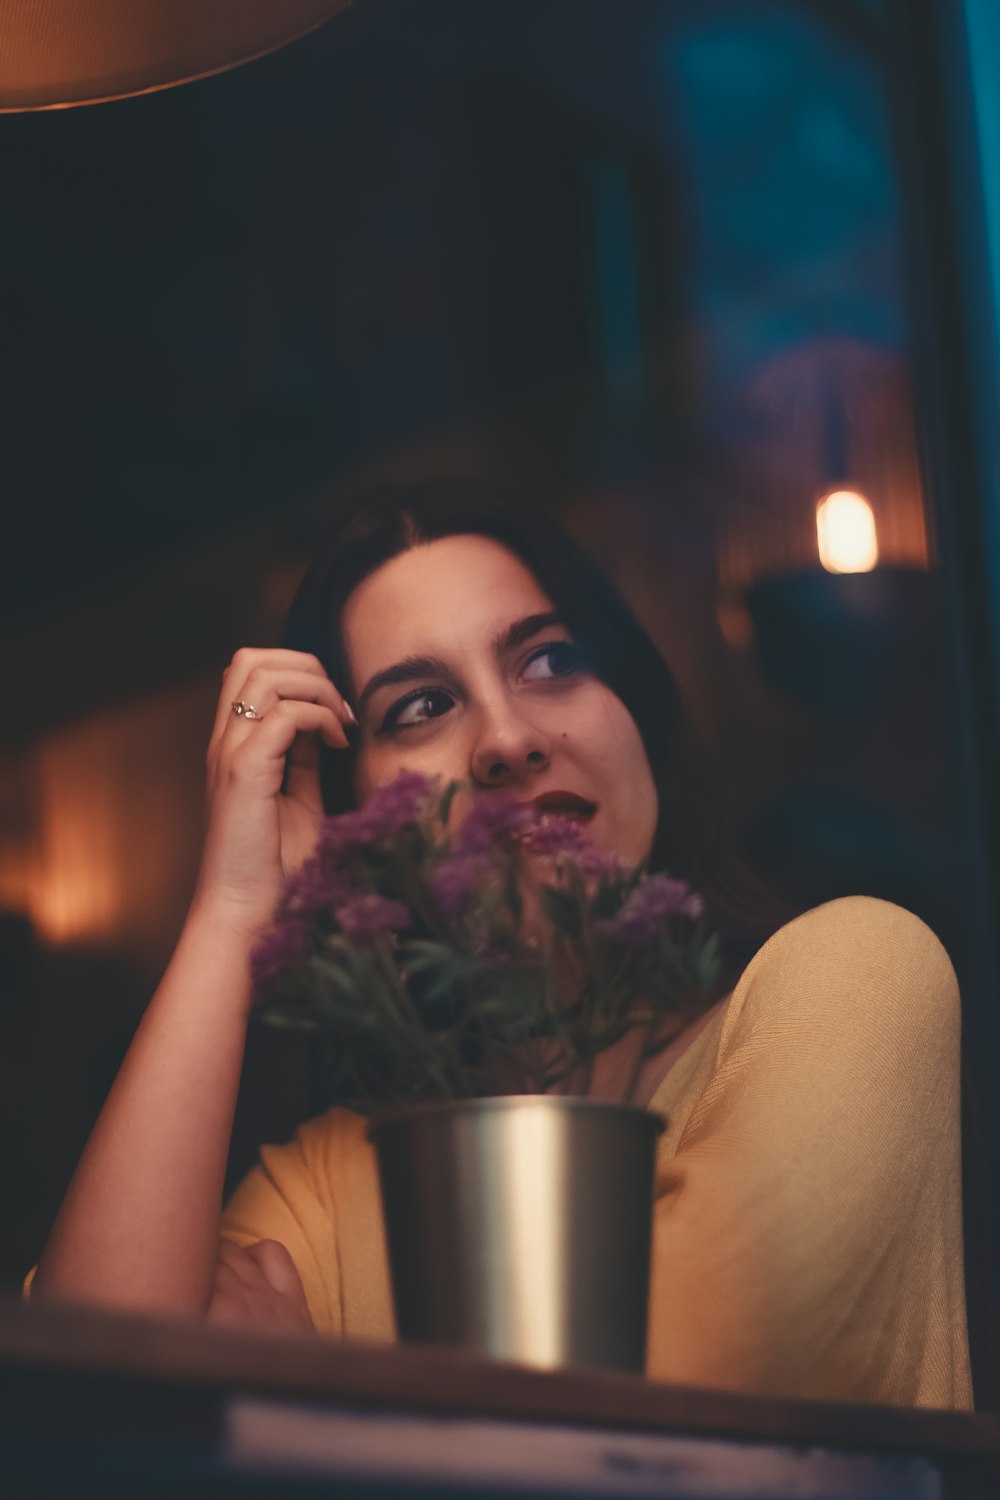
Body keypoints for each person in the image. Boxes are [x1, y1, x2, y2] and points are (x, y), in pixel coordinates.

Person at [29, 480, 972, 1408]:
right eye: (421, 707)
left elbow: (642, 1395)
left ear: (634, 709)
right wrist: (232, 908)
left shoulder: (854, 977)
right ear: (356, 819)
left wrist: (312, 1410)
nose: (509, 738)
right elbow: (88, 1397)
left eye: (551, 660)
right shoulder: (338, 1178)